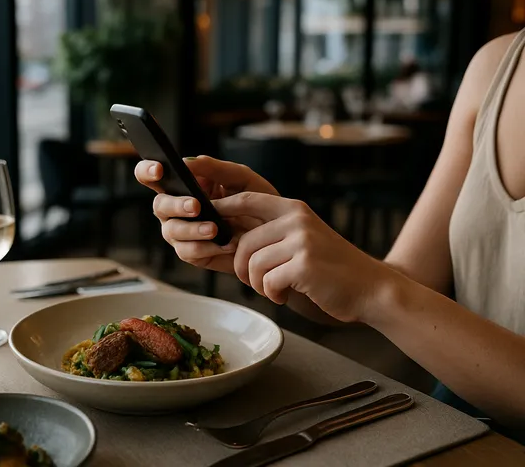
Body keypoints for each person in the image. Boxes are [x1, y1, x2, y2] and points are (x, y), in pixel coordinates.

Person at [135, 30, 525, 434]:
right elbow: (410, 285)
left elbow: (388, 293)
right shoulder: (493, 66)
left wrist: (374, 290)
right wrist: (273, 247)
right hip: (457, 424)